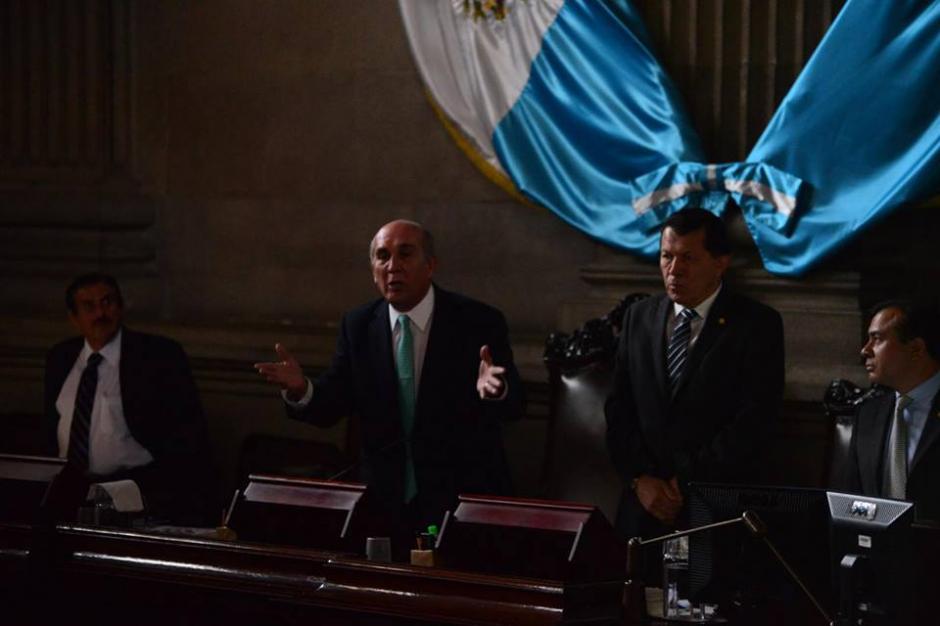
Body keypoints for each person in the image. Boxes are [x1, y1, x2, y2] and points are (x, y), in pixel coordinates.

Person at [255, 219, 524, 533]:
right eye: (382, 257)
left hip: (461, 500)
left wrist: (496, 390)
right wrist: (302, 390)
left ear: (430, 265)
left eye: (405, 254)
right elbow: (334, 402)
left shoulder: (477, 321)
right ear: (373, 270)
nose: (393, 266)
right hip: (384, 504)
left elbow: (516, 405)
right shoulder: (358, 325)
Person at [605, 208, 785, 542]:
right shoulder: (639, 317)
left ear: (720, 263)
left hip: (714, 510)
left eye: (688, 258)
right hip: (643, 505)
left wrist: (683, 482)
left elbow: (755, 420)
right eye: (666, 256)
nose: (674, 270)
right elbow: (619, 409)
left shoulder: (757, 325)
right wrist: (640, 479)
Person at [43, 273, 215, 524]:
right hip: (69, 489)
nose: (100, 313)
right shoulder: (61, 357)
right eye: (89, 306)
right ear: (74, 317)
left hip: (137, 489)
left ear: (120, 307)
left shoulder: (157, 356)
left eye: (107, 302)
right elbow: (51, 426)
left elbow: (188, 433)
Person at [839, 300, 940, 522]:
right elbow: (850, 504)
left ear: (916, 349)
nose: (865, 350)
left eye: (877, 339)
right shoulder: (868, 415)